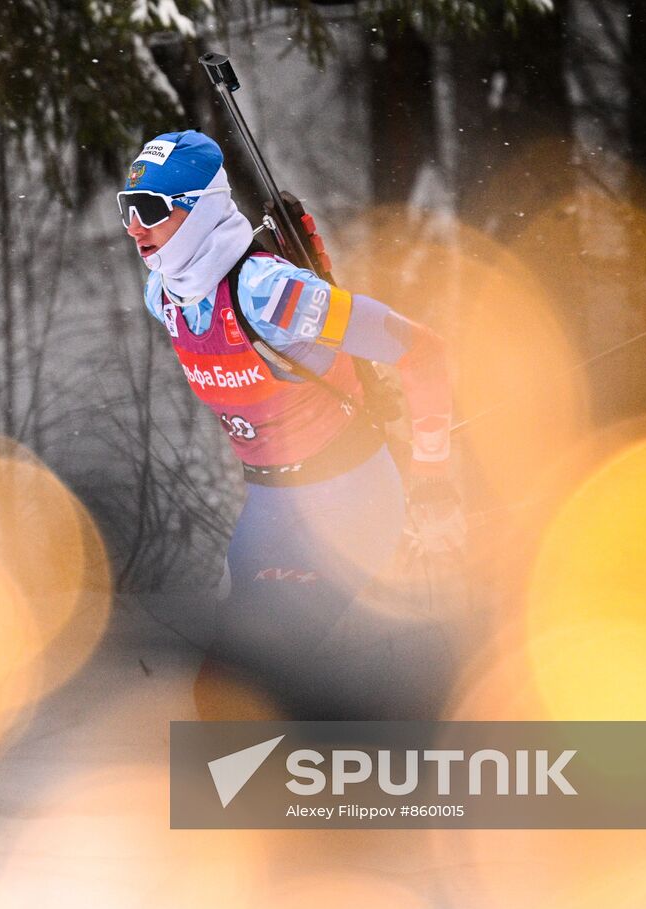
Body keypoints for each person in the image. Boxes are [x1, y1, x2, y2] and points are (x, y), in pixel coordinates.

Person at [119, 130, 462, 718]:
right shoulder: (166, 295)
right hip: (271, 507)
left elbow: (421, 350)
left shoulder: (271, 294)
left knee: (250, 689)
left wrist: (433, 471)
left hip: (345, 500)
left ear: (199, 211)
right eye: (127, 210)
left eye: (151, 209)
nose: (134, 228)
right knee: (226, 693)